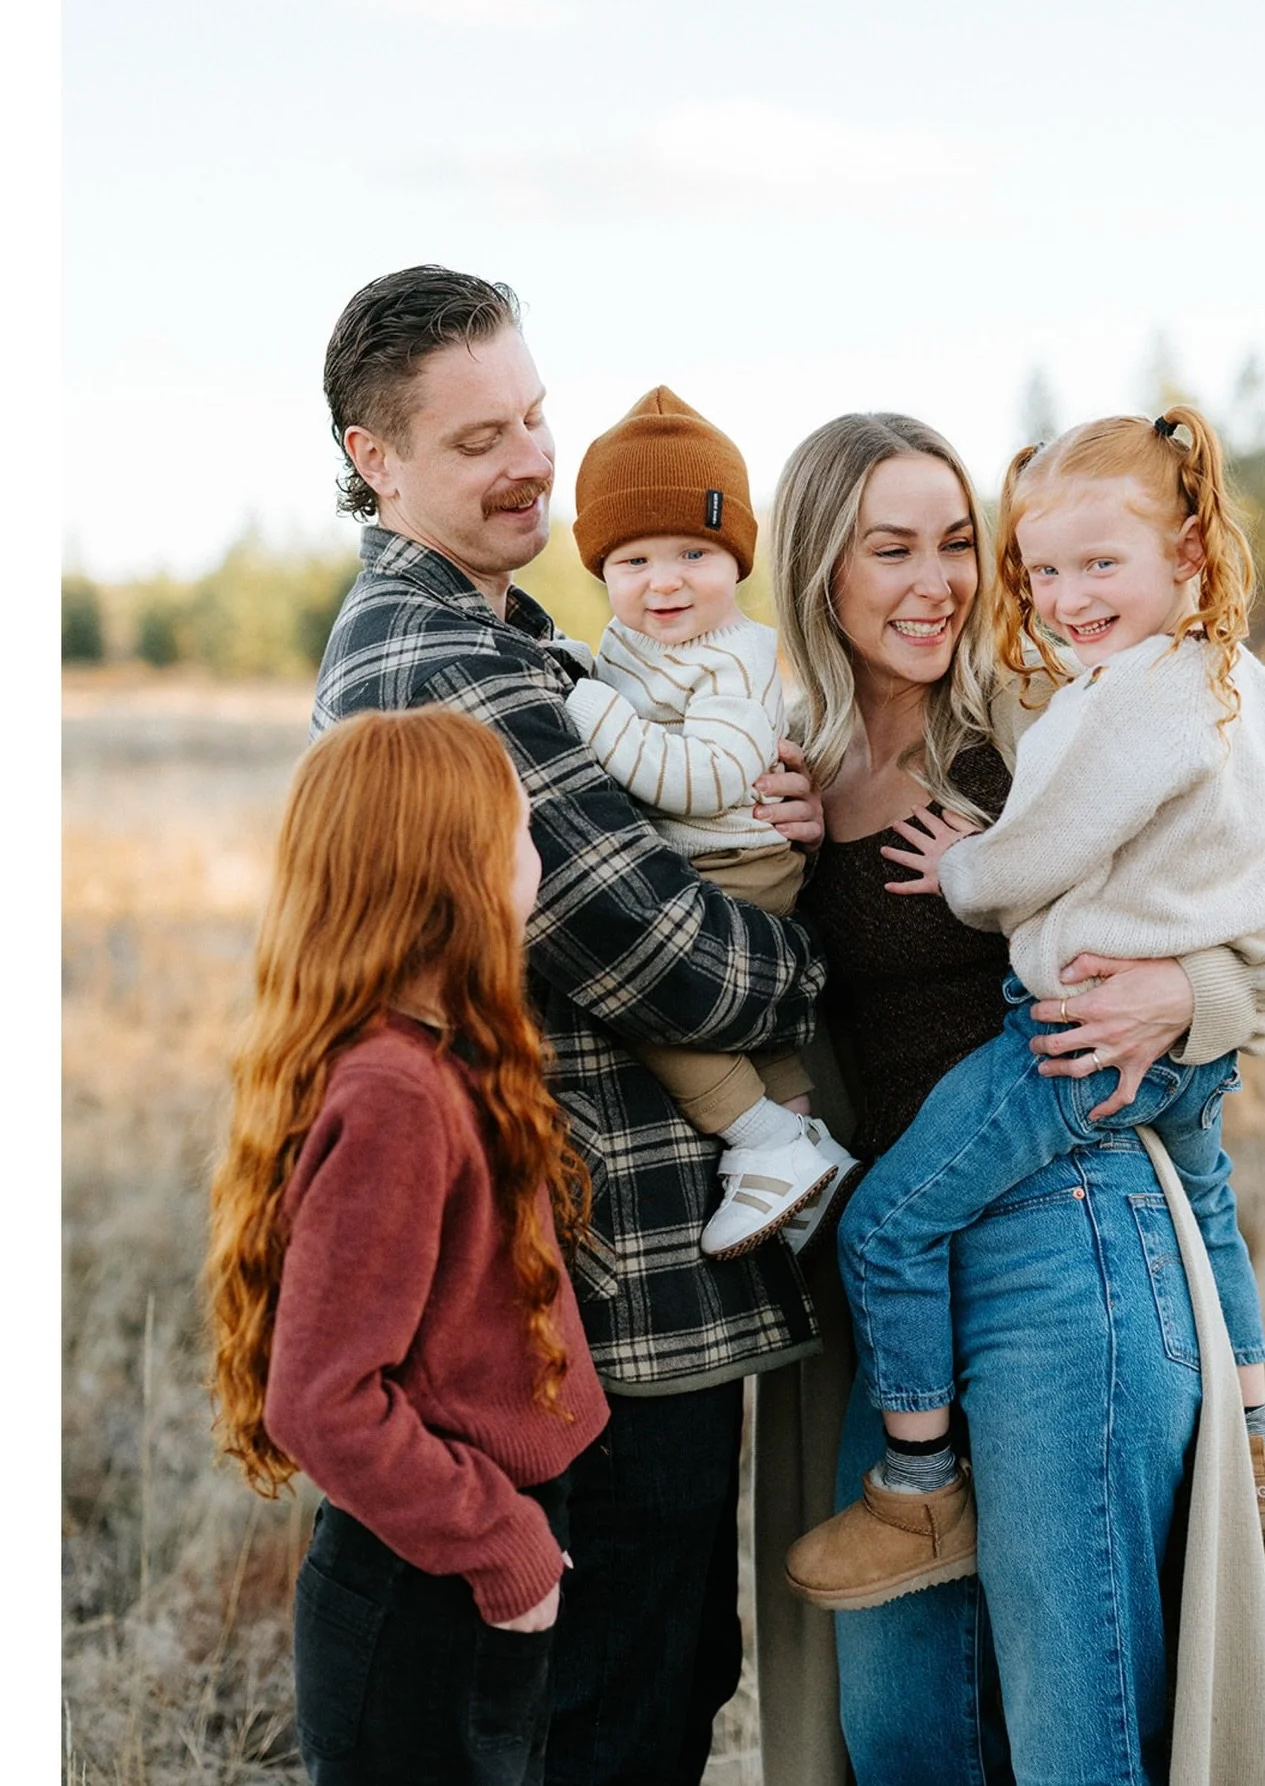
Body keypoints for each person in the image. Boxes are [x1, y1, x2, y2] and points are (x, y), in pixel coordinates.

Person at [751, 411, 1265, 1785]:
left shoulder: (1050, 710)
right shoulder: (779, 756)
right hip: (900, 1270)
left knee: (1079, 1729)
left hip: (1065, 1240)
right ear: (820, 571)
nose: (936, 580)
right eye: (889, 546)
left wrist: (1193, 995)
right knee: (900, 1727)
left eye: (958, 542)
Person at [308, 265, 830, 1786]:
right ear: (376, 459)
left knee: (665, 1675)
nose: (533, 454)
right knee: (619, 1706)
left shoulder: (530, 635)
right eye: (480, 437)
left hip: (643, 1283)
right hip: (601, 1310)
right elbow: (664, 955)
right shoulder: (435, 661)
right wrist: (820, 946)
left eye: (535, 412)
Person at [204, 707, 610, 1784]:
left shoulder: (443, 1056)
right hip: (425, 1593)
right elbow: (322, 1398)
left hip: (461, 1564)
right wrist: (503, 1546)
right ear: (448, 871)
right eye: (519, 834)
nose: (539, 860)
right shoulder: (395, 1092)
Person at [563, 385, 863, 1260]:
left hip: (735, 860)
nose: (664, 580)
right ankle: (806, 1145)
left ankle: (761, 1144)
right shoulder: (650, 640)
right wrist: (591, 675)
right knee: (759, 1041)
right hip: (711, 860)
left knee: (657, 994)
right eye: (633, 560)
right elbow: (631, 696)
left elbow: (707, 774)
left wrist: (589, 712)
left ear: (736, 560)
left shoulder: (732, 658)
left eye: (694, 550)